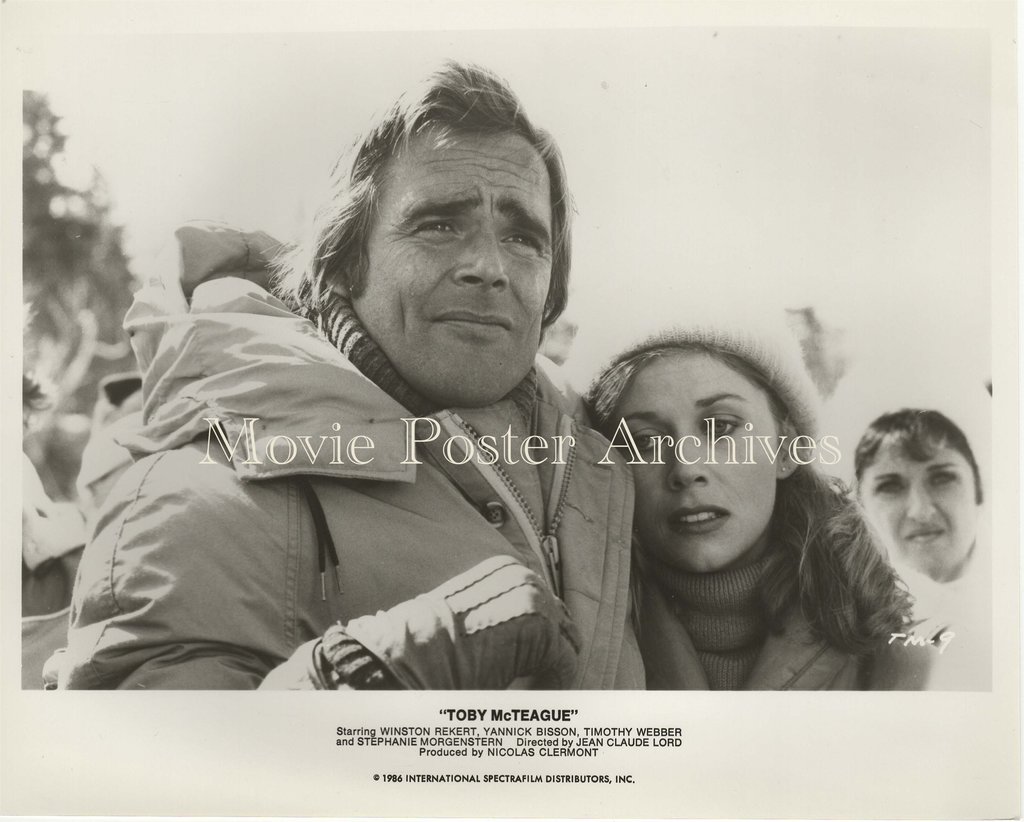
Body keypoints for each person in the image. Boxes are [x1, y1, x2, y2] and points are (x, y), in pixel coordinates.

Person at [47, 63, 644, 690]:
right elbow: (154, 748)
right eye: (439, 225)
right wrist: (373, 671)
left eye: (523, 238)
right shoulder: (198, 495)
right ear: (342, 262)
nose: (489, 266)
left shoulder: (613, 473)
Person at [586, 320, 931, 689]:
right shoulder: (583, 641)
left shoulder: (911, 652)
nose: (685, 469)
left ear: (785, 450)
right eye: (644, 441)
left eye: (719, 427)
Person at [855, 409, 990, 689]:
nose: (921, 511)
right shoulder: (848, 628)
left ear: (979, 489)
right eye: (890, 486)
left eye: (942, 478)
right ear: (860, 508)